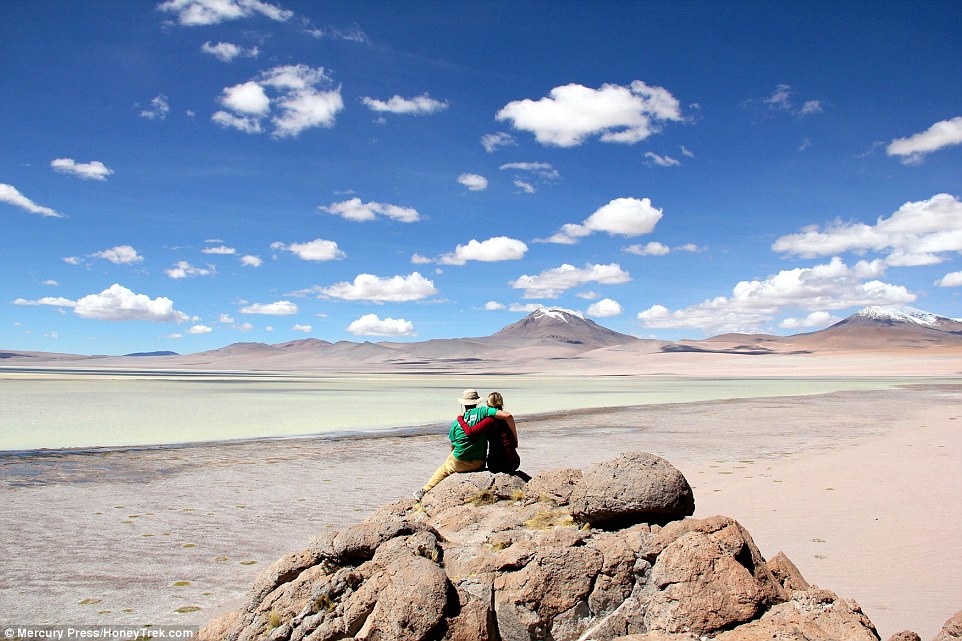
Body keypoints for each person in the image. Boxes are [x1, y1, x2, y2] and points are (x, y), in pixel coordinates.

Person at [414, 388, 516, 500]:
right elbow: (505, 416)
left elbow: (453, 444)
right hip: (479, 463)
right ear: (477, 402)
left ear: (463, 404)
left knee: (445, 468)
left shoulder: (457, 422)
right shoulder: (484, 412)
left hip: (460, 462)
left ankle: (424, 490)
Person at [461, 392, 531, 482]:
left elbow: (471, 432)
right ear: (501, 403)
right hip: (513, 462)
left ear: (488, 404)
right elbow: (508, 417)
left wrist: (460, 419)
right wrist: (515, 438)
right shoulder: (507, 421)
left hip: (494, 464)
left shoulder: (488, 421)